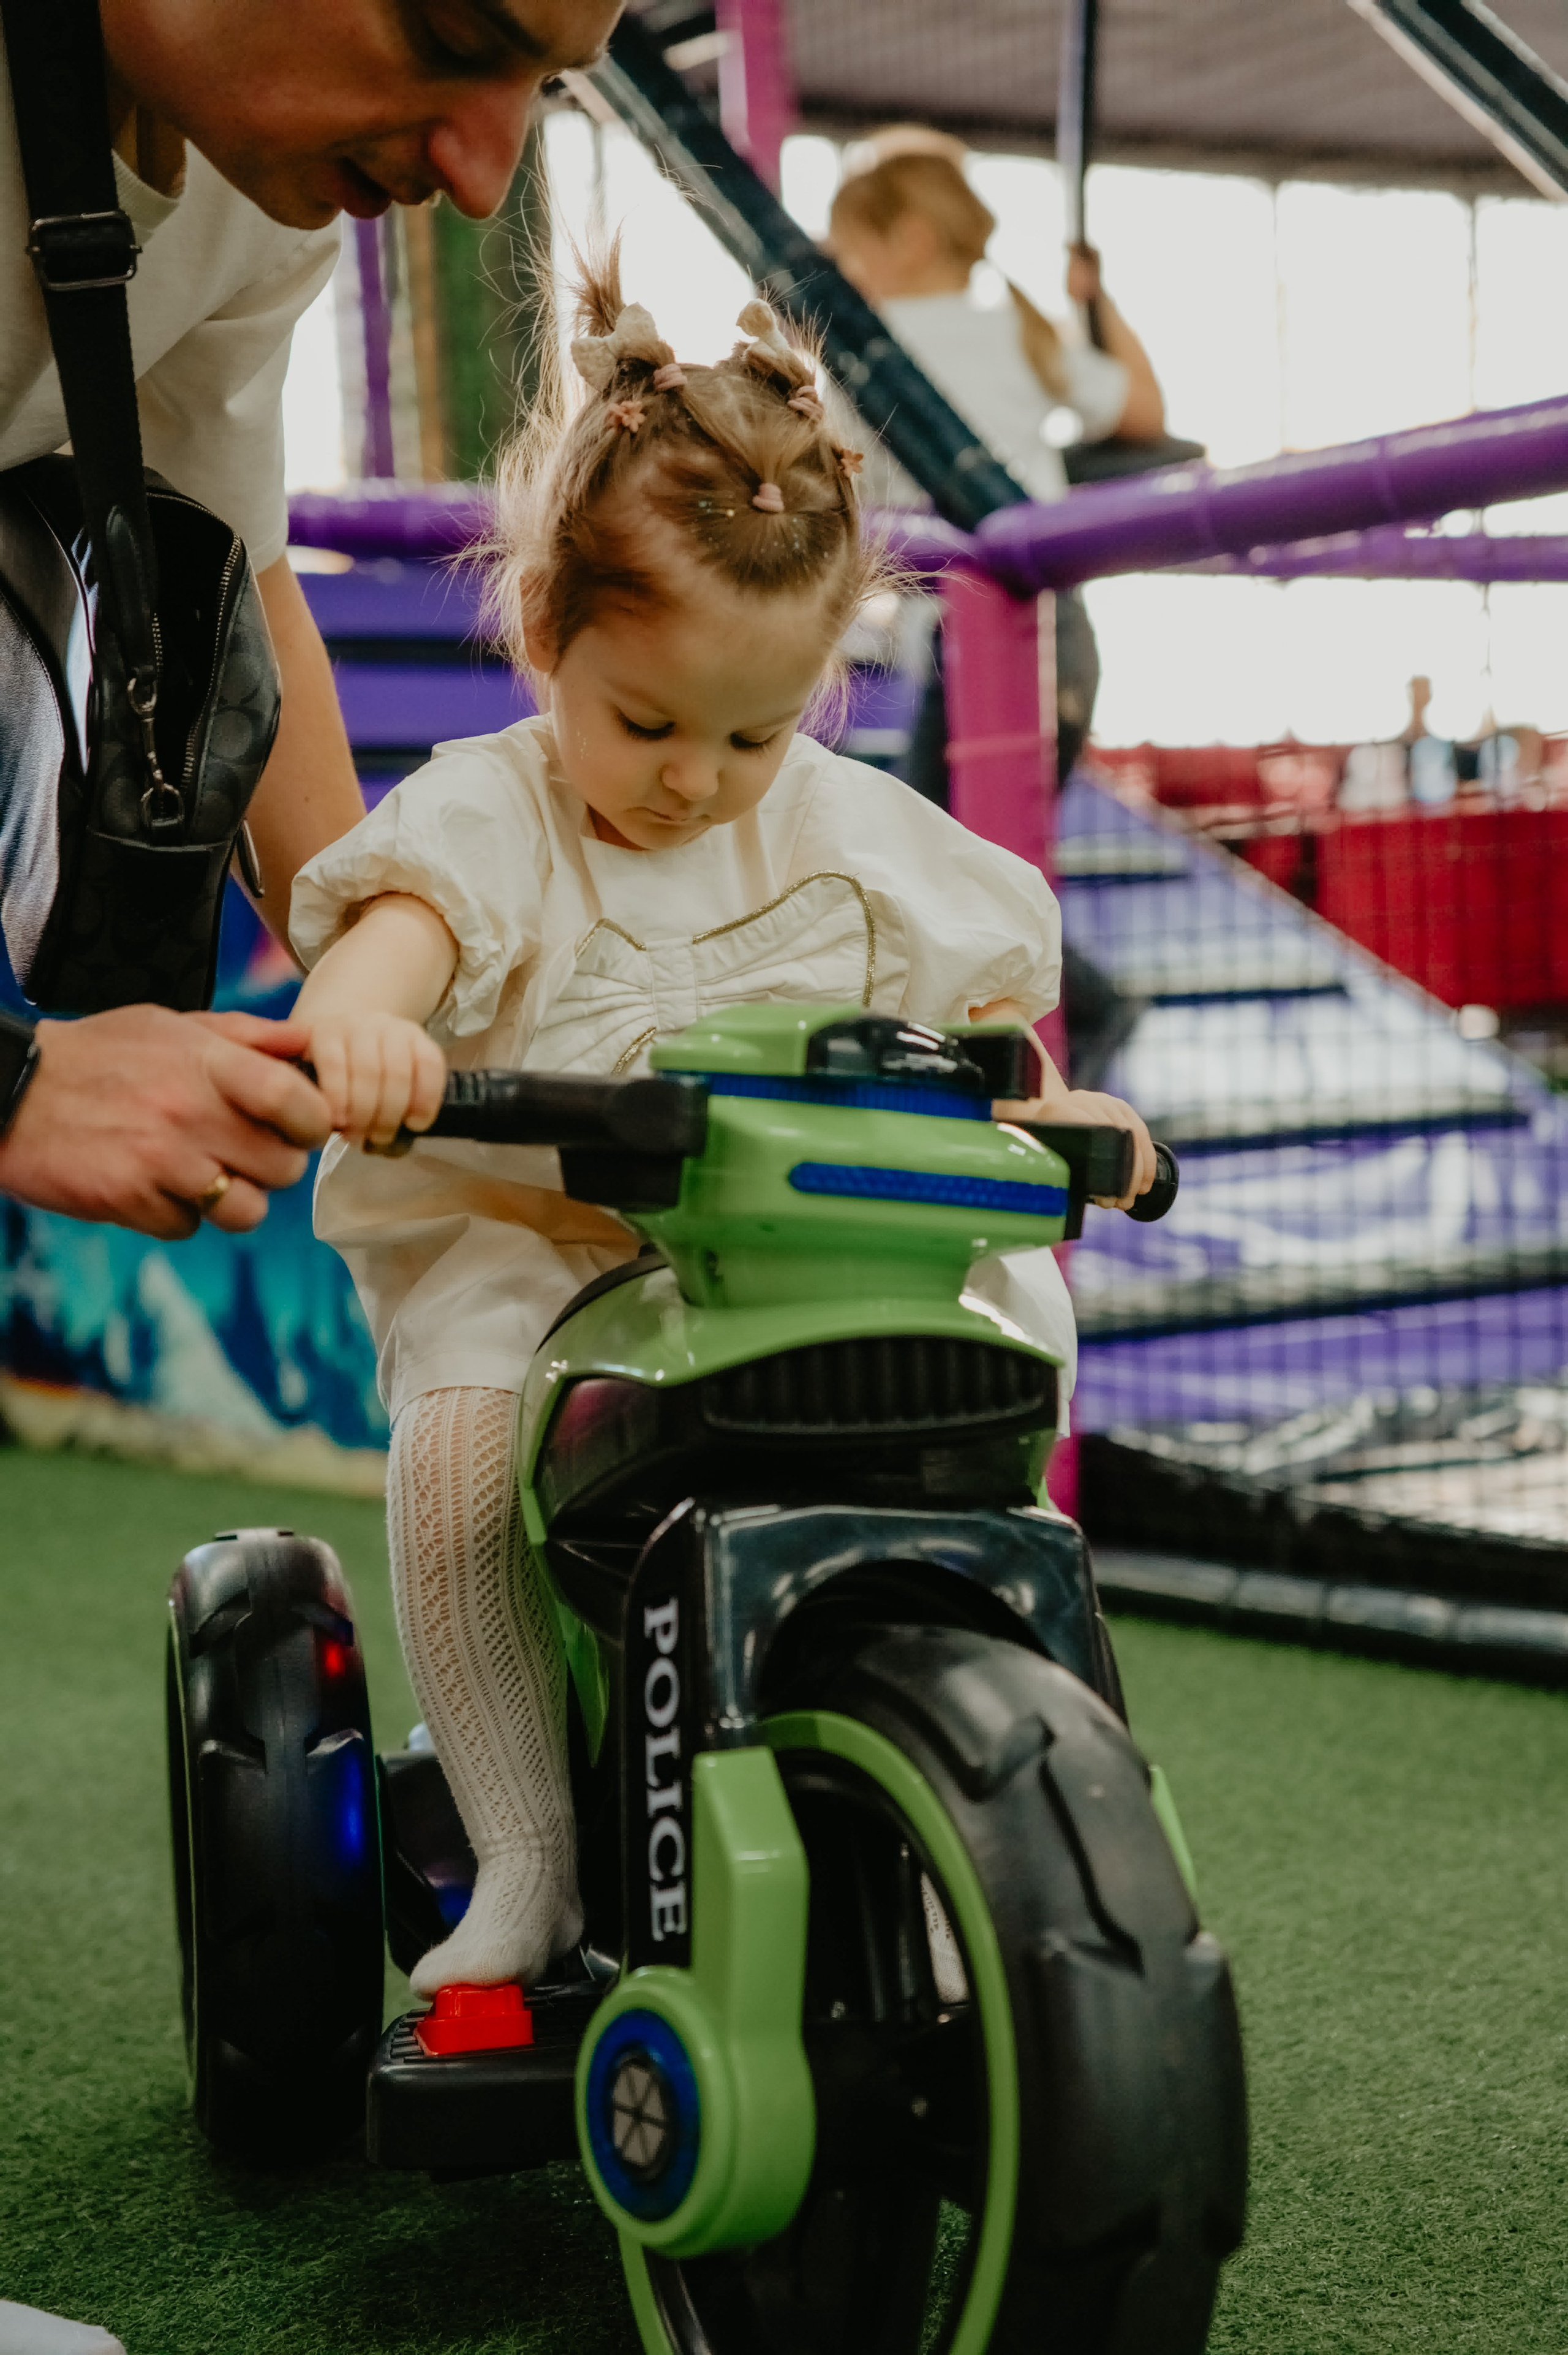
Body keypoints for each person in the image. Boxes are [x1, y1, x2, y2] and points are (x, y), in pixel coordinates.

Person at [284, 260, 1158, 1994]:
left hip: (816, 1254)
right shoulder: (492, 821)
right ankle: (525, 1842)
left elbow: (989, 1047)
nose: (697, 775)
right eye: (650, 721)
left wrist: (1065, 1109)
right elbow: (362, 982)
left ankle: (1009, 1752)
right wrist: (369, 1039)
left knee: (1017, 1321)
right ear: (549, 636)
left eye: (757, 729)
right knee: (462, 1443)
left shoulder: (853, 831)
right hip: (548, 1255)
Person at [0, 0, 620, 1238]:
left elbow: (246, 579)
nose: (488, 180)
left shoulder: (252, 186)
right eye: (451, 35)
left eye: (543, 83)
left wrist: (442, 1043)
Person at [825, 129, 1166, 794]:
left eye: (849, 257)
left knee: (944, 850)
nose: (843, 277)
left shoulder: (865, 350)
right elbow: (1143, 412)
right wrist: (1096, 301)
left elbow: (846, 491)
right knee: (989, 845)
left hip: (970, 627)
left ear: (911, 240)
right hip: (1056, 627)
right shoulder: (1020, 329)